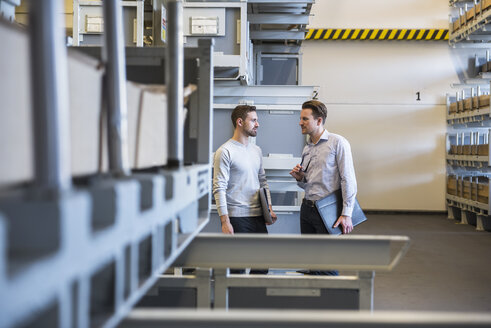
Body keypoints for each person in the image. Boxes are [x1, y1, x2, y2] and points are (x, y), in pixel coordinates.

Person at [290, 100, 357, 275]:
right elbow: (308, 182)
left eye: (305, 119)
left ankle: (331, 299)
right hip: (307, 208)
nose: (300, 122)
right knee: (312, 260)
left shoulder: (338, 143)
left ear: (319, 121)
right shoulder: (307, 148)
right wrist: (300, 179)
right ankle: (315, 298)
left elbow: (348, 179)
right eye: (300, 118)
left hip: (327, 211)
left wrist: (346, 213)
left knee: (326, 264)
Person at [213, 105, 277, 274]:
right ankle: (235, 300)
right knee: (238, 269)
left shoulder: (256, 150)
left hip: (258, 217)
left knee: (262, 267)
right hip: (237, 218)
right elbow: (219, 187)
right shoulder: (225, 151)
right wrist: (225, 221)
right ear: (240, 122)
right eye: (254, 120)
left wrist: (268, 207)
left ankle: (254, 301)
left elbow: (262, 181)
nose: (258, 124)